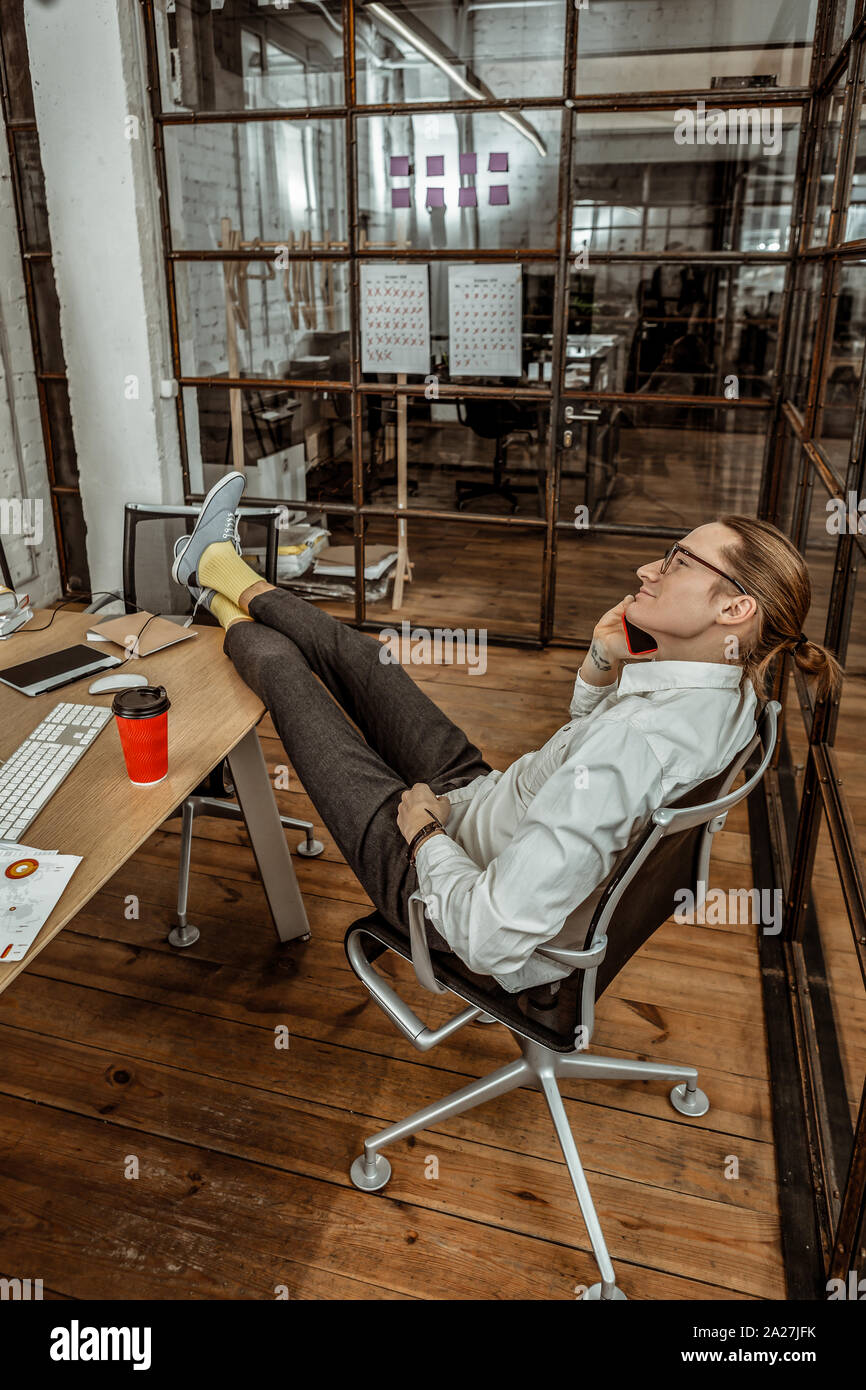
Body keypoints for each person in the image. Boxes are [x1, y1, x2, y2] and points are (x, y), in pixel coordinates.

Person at [171, 475, 843, 993]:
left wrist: (426, 835)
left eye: (678, 561)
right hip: (490, 803)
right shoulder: (737, 696)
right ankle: (217, 570)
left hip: (442, 887)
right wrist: (604, 664)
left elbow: (489, 937)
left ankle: (210, 581)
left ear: (734, 606)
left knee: (289, 678)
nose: (649, 570)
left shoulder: (635, 746)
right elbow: (586, 763)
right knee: (360, 657)